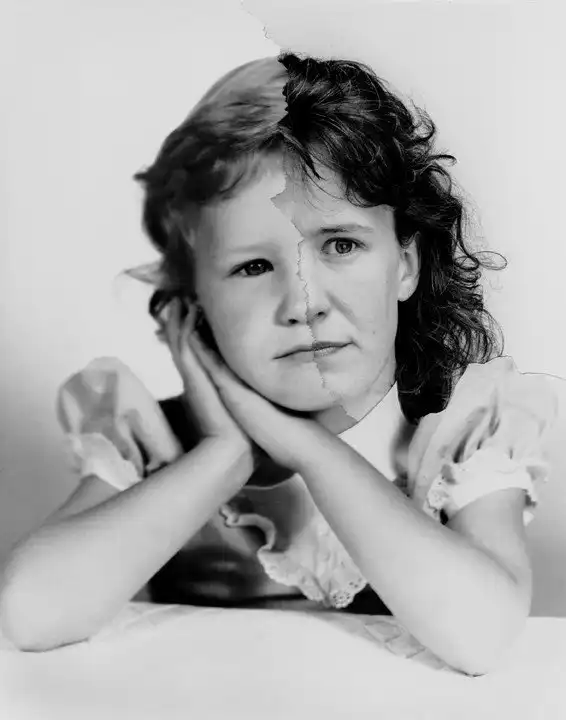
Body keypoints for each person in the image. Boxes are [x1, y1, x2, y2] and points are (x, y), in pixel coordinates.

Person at [0, 52, 557, 675]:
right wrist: (223, 455)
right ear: (195, 300)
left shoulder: (459, 441)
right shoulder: (157, 445)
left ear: (405, 264)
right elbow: (30, 612)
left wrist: (309, 450)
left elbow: (481, 636)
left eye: (341, 244)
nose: (303, 303)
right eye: (253, 266)